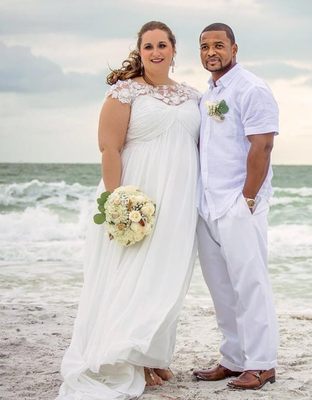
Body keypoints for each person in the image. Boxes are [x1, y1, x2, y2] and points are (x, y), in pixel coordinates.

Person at [57, 21, 201, 399]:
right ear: (140, 51)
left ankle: (153, 353)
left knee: (166, 276)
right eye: (148, 46)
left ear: (174, 50)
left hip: (180, 199)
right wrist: (119, 200)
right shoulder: (124, 93)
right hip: (137, 198)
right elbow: (109, 149)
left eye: (162, 45)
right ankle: (126, 355)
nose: (156, 51)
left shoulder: (192, 95)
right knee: (130, 275)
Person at [192, 22, 279, 391]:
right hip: (208, 205)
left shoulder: (252, 89)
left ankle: (261, 364)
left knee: (250, 284)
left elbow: (262, 147)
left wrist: (247, 199)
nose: (211, 52)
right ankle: (233, 359)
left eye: (218, 45)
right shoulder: (207, 94)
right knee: (221, 288)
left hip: (238, 203)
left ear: (234, 48)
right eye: (204, 46)